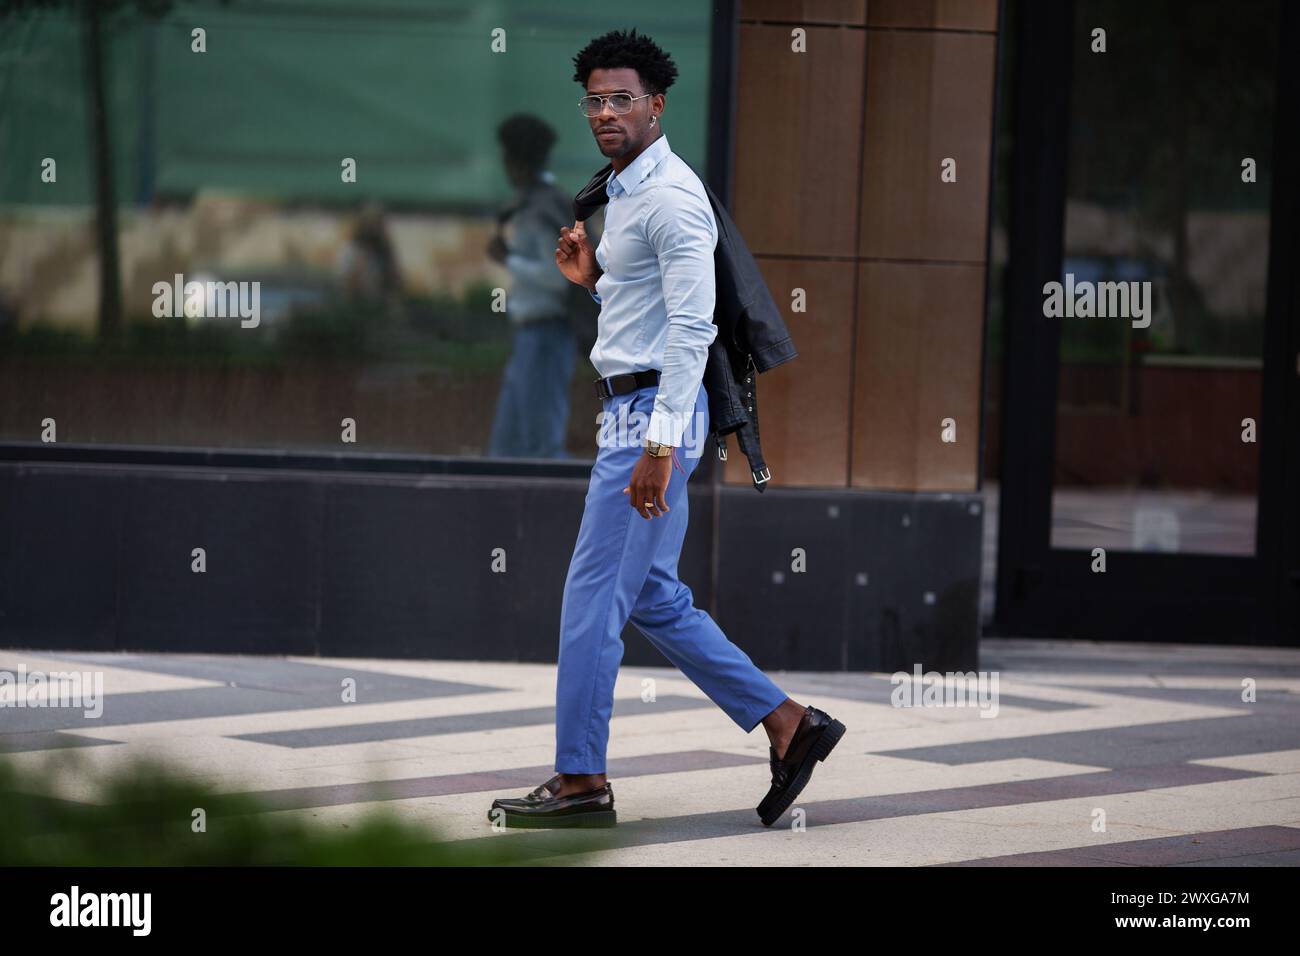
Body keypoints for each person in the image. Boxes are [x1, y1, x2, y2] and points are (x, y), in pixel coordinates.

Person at [488, 28, 844, 830]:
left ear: (657, 105)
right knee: (653, 598)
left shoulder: (674, 198)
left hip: (649, 421)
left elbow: (691, 331)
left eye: (622, 99)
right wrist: (594, 283)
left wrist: (656, 445)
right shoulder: (627, 194)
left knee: (590, 602)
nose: (605, 112)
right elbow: (649, 318)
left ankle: (582, 781)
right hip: (640, 410)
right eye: (595, 100)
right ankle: (790, 724)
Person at [486, 114, 579, 459]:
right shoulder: (543, 201)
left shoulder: (541, 208)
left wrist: (508, 259)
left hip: (547, 335)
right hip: (532, 338)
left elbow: (558, 275)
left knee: (541, 446)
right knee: (506, 448)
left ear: (513, 160)